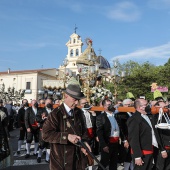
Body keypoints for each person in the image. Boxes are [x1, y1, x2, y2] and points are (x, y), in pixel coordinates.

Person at [42, 84, 91, 170]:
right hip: (61, 162)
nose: (76, 103)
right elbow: (46, 135)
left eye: (78, 100)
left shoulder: (79, 113)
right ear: (66, 96)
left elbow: (84, 132)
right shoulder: (56, 114)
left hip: (77, 161)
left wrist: (85, 143)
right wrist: (67, 136)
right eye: (74, 99)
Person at [127, 98, 166, 170]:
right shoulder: (134, 119)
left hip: (150, 149)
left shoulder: (148, 116)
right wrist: (137, 156)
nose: (148, 106)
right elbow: (133, 138)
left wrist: (162, 149)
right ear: (139, 107)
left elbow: (155, 133)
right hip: (141, 152)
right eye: (146, 105)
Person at [96, 99, 124, 170]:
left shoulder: (116, 116)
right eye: (108, 105)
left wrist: (124, 140)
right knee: (104, 162)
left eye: (111, 104)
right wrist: (103, 145)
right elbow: (99, 132)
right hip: (107, 142)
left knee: (114, 162)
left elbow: (121, 128)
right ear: (104, 107)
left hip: (116, 142)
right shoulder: (101, 117)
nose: (111, 106)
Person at [115, 98, 134, 170]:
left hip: (133, 136)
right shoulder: (120, 115)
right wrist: (124, 140)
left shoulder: (133, 112)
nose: (128, 106)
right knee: (126, 154)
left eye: (130, 104)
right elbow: (121, 129)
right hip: (126, 137)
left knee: (132, 154)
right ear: (123, 105)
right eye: (126, 105)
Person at [36, 98, 53, 163]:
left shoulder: (53, 110)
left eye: (50, 102)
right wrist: (42, 119)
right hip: (43, 129)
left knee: (49, 144)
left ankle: (47, 158)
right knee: (42, 144)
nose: (49, 103)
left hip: (51, 130)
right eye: (47, 102)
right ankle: (39, 156)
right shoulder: (41, 110)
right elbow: (37, 118)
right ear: (45, 103)